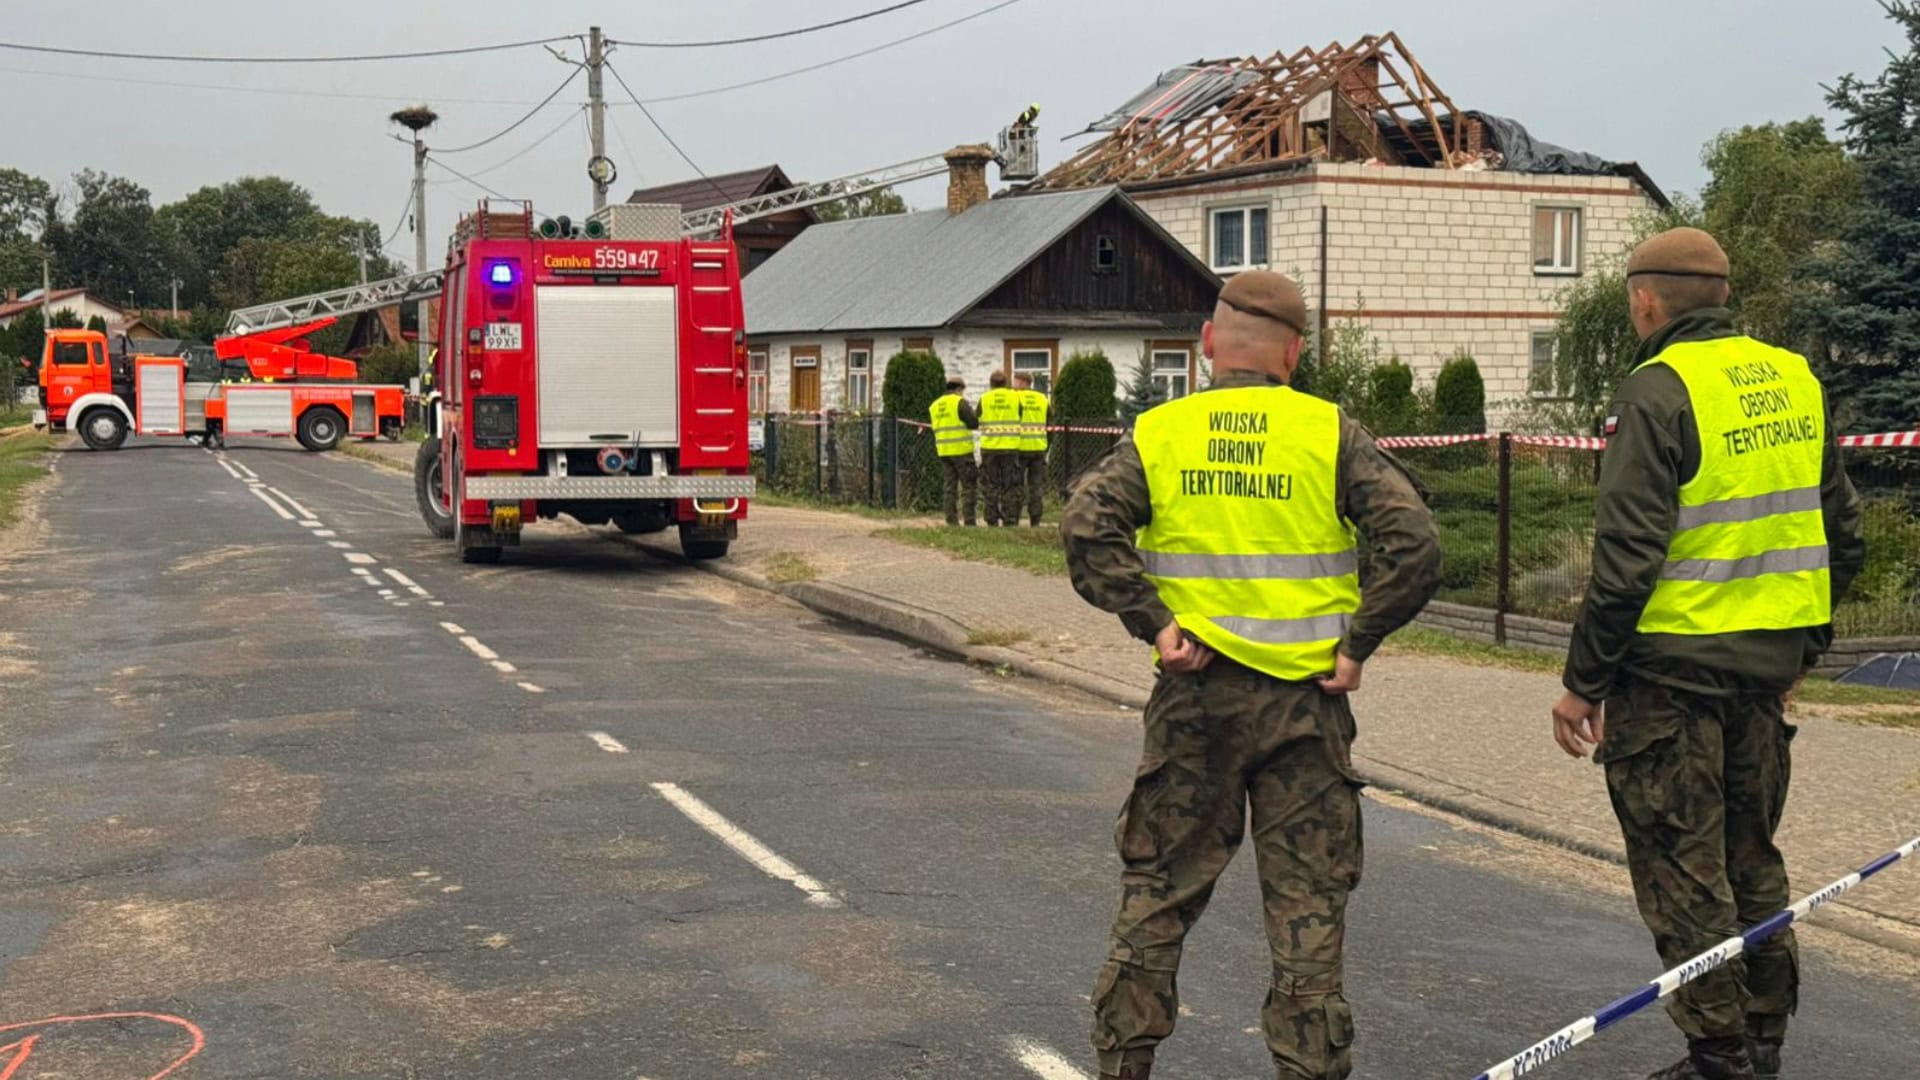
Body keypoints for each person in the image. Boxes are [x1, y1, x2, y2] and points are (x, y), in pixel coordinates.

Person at [1061, 270, 1440, 1080]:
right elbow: (1416, 547)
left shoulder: (1163, 431)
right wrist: (1359, 643)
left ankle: (1120, 1068)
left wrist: (1155, 624)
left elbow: (1087, 527)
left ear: (1207, 345)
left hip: (1194, 700)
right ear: (1294, 355)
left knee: (1156, 895)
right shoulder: (1329, 432)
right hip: (1305, 713)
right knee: (1306, 916)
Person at [1551, 228, 1866, 1080]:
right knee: (1751, 856)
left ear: (1647, 300)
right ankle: (1763, 1042)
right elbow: (1842, 530)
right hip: (1765, 675)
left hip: (1670, 680)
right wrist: (1808, 644)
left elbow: (1626, 559)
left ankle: (1718, 1055)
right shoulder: (1794, 379)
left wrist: (1585, 683)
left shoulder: (1658, 388)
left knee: (1684, 870)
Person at [929, 375, 980, 527]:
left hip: (944, 451)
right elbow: (973, 423)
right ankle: (969, 521)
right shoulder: (959, 402)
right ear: (959, 389)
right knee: (969, 486)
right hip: (962, 451)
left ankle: (951, 520)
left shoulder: (935, 405)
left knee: (950, 486)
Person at [977, 370, 1025, 527]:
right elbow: (1021, 415)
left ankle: (991, 519)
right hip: (1010, 448)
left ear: (991, 384)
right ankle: (1009, 519)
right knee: (1009, 485)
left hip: (989, 449)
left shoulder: (984, 399)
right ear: (1006, 383)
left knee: (990, 484)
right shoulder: (1015, 397)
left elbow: (977, 417)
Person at [1015, 371, 1050, 527]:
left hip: (1020, 448)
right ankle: (1035, 520)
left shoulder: (1016, 398)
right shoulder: (1043, 399)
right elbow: (1050, 424)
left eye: (1015, 382)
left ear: (1023, 382)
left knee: (1017, 485)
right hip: (1039, 448)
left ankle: (1014, 517)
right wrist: (1046, 445)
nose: (1013, 385)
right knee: (1036, 487)